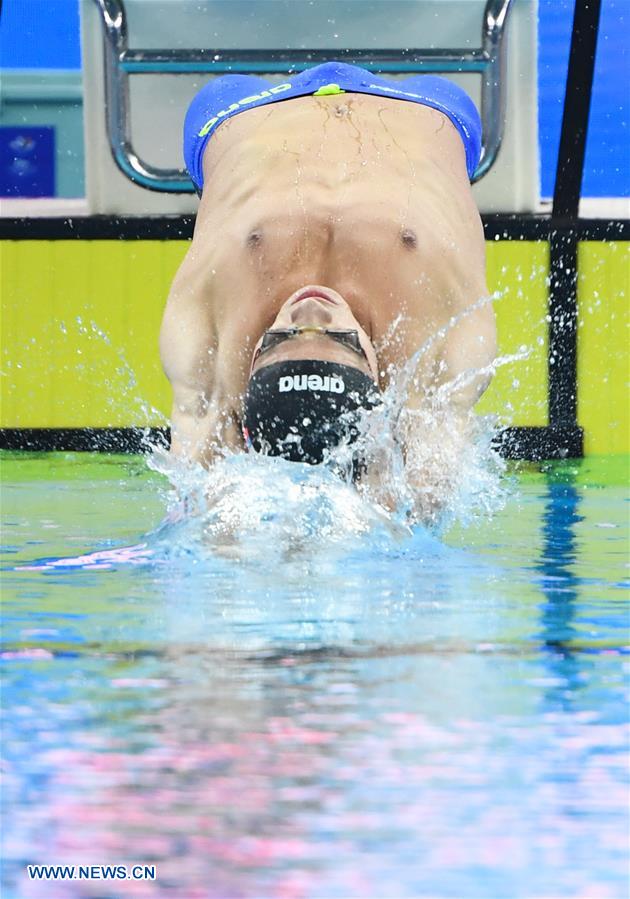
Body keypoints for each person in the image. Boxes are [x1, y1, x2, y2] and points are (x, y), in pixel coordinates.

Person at [160, 61, 496, 484]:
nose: (310, 313)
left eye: (277, 337)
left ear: (251, 368)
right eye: (344, 339)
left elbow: (198, 491)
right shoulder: (435, 361)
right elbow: (428, 490)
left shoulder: (214, 361)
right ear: (376, 377)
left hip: (238, 109)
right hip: (426, 106)